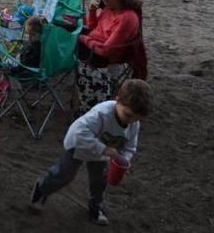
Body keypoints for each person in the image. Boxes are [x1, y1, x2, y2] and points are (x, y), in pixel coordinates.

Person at [30, 79, 151, 225]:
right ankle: (42, 188)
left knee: (100, 181)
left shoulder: (134, 123)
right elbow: (81, 133)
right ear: (117, 100)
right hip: (80, 144)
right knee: (64, 174)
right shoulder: (102, 113)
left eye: (137, 118)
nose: (131, 121)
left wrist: (124, 161)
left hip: (103, 153)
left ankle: (96, 207)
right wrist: (105, 150)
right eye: (128, 115)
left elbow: (130, 147)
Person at [77, 0, 144, 75]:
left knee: (64, 41)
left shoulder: (126, 18)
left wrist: (83, 39)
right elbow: (93, 28)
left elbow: (106, 51)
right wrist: (92, 11)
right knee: (63, 29)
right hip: (95, 42)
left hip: (103, 55)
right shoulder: (109, 7)